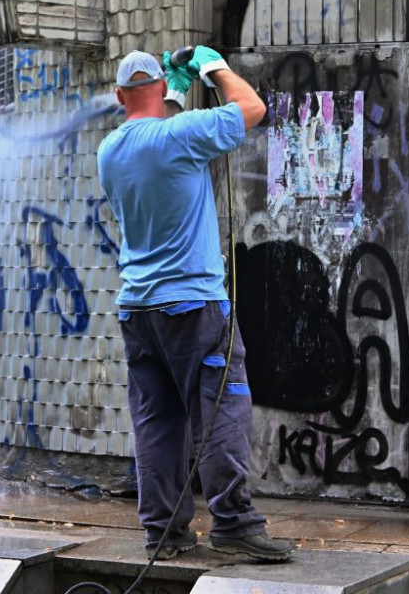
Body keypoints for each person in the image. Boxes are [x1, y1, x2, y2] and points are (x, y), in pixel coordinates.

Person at [97, 45, 294, 563]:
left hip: (138, 310)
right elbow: (252, 108)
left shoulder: (111, 149)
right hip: (194, 305)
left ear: (120, 96)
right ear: (159, 90)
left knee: (158, 424)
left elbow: (162, 142)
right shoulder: (179, 136)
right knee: (222, 410)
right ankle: (233, 523)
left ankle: (164, 533)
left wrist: (177, 93)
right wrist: (214, 66)